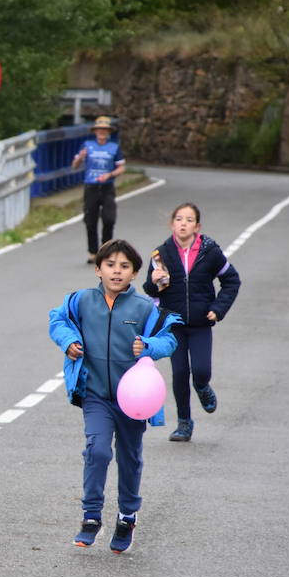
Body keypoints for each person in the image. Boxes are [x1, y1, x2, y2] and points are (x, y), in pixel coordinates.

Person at [48, 239, 180, 554]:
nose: (116, 271)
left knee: (129, 457)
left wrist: (148, 347)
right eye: (110, 265)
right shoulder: (81, 301)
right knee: (97, 451)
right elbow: (58, 320)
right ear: (98, 269)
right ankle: (91, 516)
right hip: (95, 393)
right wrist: (68, 341)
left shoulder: (145, 308)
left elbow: (169, 338)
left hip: (133, 398)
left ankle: (127, 516)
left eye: (124, 267)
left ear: (134, 273)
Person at [144, 202, 242, 442]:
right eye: (179, 219)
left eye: (189, 220)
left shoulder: (210, 252)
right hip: (174, 324)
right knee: (179, 373)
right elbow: (151, 292)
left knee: (200, 370)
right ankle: (184, 423)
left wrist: (218, 309)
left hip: (200, 323)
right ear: (172, 224)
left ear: (197, 226)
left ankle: (202, 386)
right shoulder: (161, 254)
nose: (183, 224)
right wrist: (153, 281)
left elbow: (232, 280)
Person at [70, 116, 126, 263]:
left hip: (107, 187)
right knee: (90, 220)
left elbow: (121, 167)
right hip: (91, 186)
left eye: (105, 130)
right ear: (95, 131)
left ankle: (106, 251)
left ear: (108, 132)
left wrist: (110, 174)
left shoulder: (114, 147)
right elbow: (74, 166)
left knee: (109, 219)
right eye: (99, 130)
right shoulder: (87, 145)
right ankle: (93, 252)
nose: (102, 132)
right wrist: (80, 158)